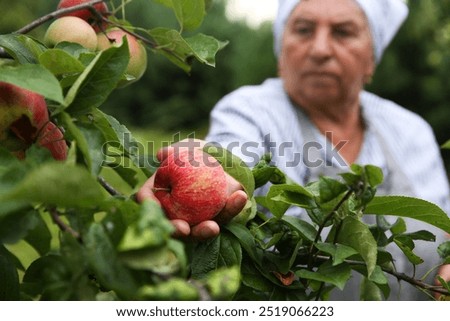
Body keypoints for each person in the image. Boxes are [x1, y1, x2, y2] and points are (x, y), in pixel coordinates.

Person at [138, 0, 450, 300]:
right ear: (281, 48)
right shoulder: (251, 110)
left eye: (343, 32)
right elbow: (231, 157)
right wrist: (203, 171)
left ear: (372, 58)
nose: (320, 49)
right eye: (303, 30)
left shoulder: (411, 131)